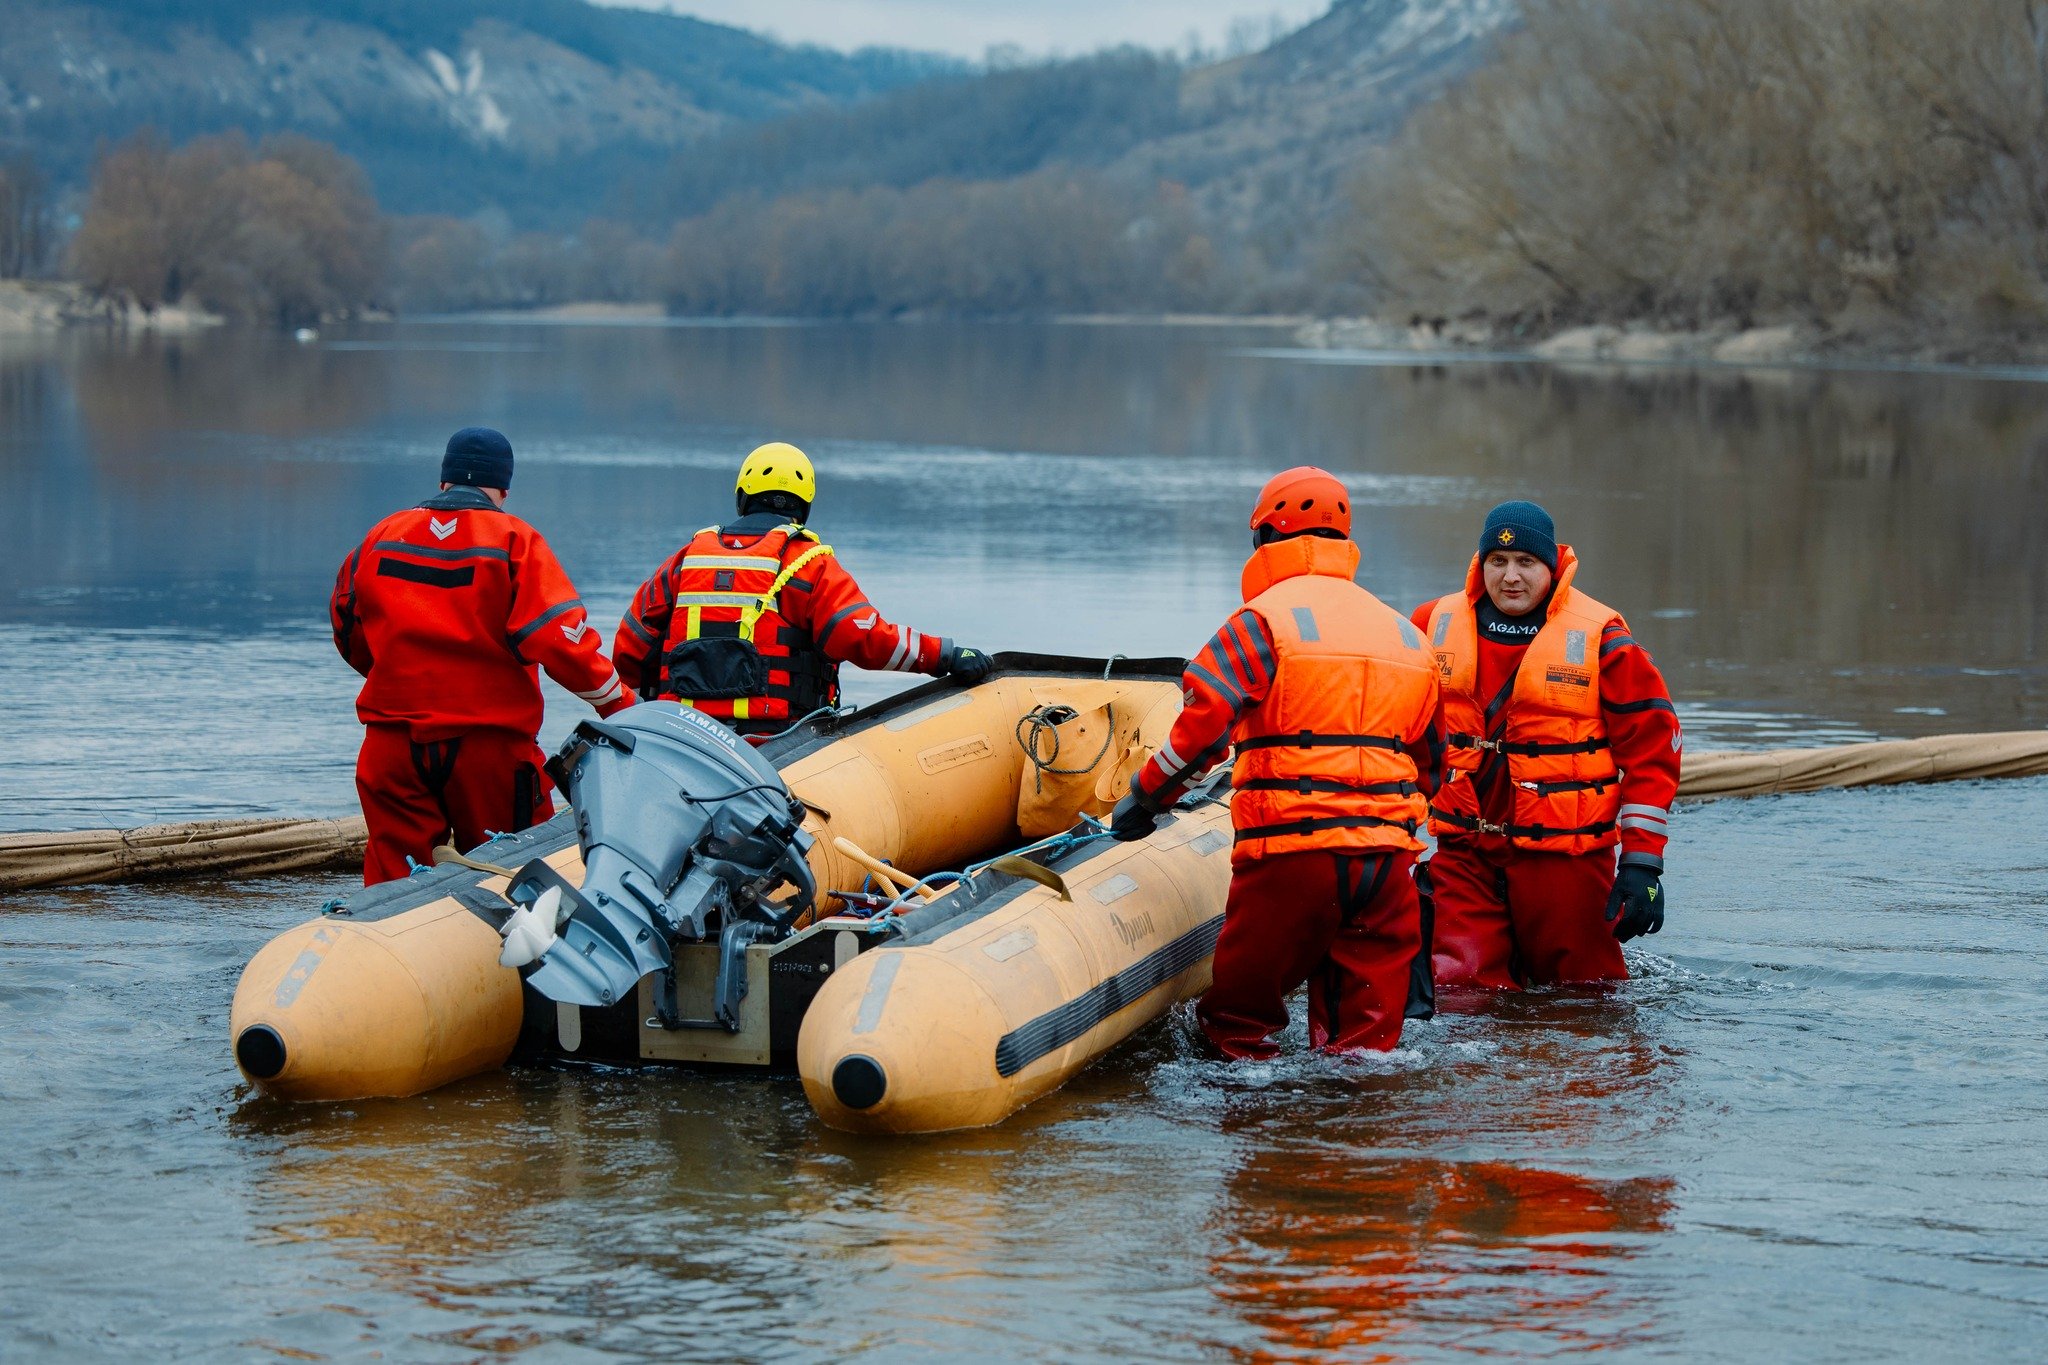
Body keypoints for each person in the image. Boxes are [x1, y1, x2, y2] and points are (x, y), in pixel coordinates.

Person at [1110, 467, 1442, 1058]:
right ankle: (1357, 1137)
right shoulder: (1407, 636)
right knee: (1365, 1047)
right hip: (1387, 866)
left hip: (1292, 859)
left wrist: (1145, 795)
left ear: (1265, 540)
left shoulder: (1263, 622)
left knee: (1237, 1026)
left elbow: (1201, 729)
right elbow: (1433, 763)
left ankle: (1262, 1139)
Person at [331, 427, 629, 885]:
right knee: (511, 873)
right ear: (504, 487)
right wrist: (621, 706)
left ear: (444, 479)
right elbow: (561, 640)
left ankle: (387, 944)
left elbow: (347, 624)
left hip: (392, 746)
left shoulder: (382, 536)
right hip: (488, 749)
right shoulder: (514, 540)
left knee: (393, 882)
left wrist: (393, 669)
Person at [1413, 501, 1680, 990]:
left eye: (1525, 563)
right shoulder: (1431, 625)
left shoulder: (1606, 641)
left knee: (1584, 1000)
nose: (1510, 577)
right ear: (1481, 563)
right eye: (1498, 561)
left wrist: (1642, 863)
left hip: (1566, 862)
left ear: (1551, 566)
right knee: (1458, 999)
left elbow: (1653, 755)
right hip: (1464, 856)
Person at [613, 442, 992, 737]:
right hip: (780, 742)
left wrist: (647, 713)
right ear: (804, 505)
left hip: (684, 735)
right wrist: (945, 656)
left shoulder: (686, 560)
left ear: (742, 497)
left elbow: (628, 649)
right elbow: (864, 636)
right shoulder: (808, 562)